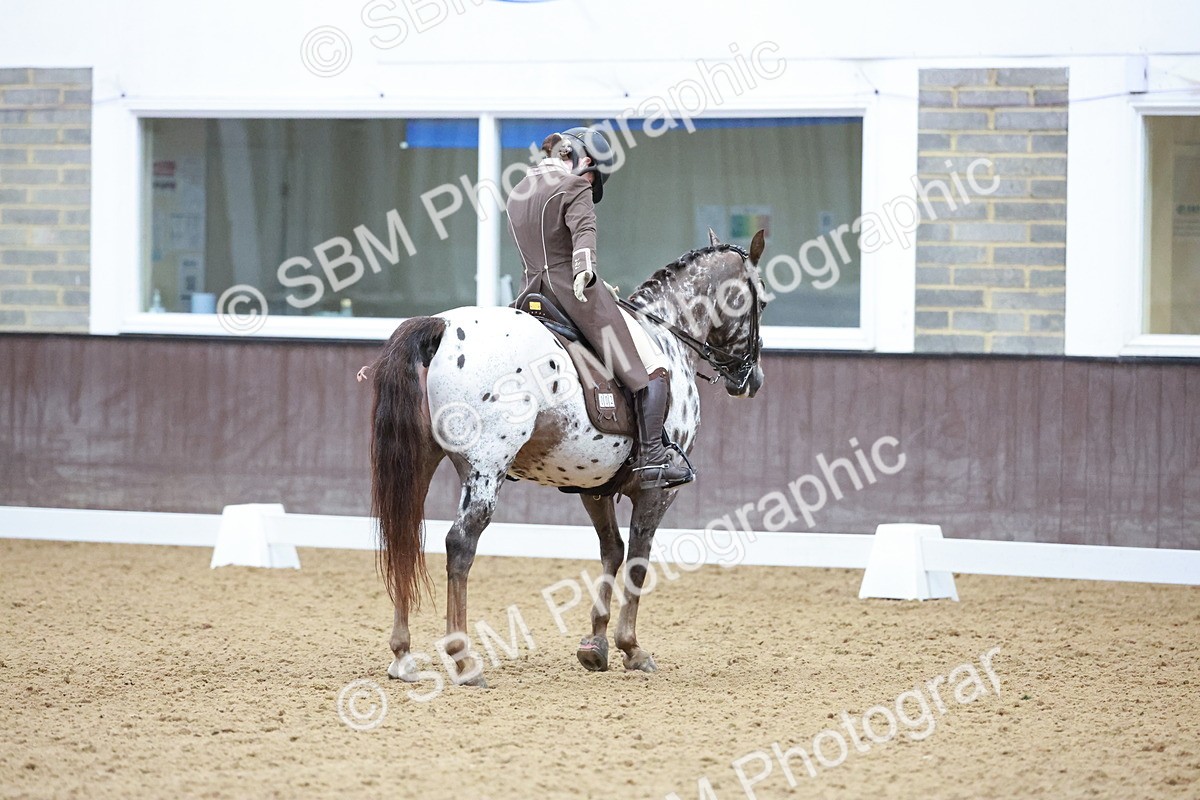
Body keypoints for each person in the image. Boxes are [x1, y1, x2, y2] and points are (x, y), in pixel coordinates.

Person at [505, 127, 693, 490]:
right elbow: (583, 231)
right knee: (653, 366)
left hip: (530, 296)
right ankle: (652, 456)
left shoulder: (517, 192)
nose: (590, 183)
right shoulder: (574, 186)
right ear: (583, 159)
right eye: (593, 176)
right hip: (571, 295)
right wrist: (584, 269)